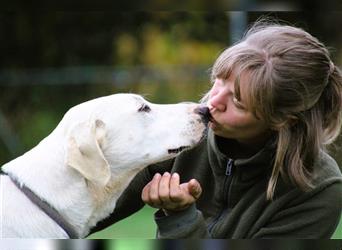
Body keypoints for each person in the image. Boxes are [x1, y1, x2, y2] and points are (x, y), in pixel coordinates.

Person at [90, 20, 342, 238]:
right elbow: (80, 214)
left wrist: (181, 218)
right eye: (219, 81)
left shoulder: (320, 190)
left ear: (283, 119)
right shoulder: (179, 135)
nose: (213, 102)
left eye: (238, 101)